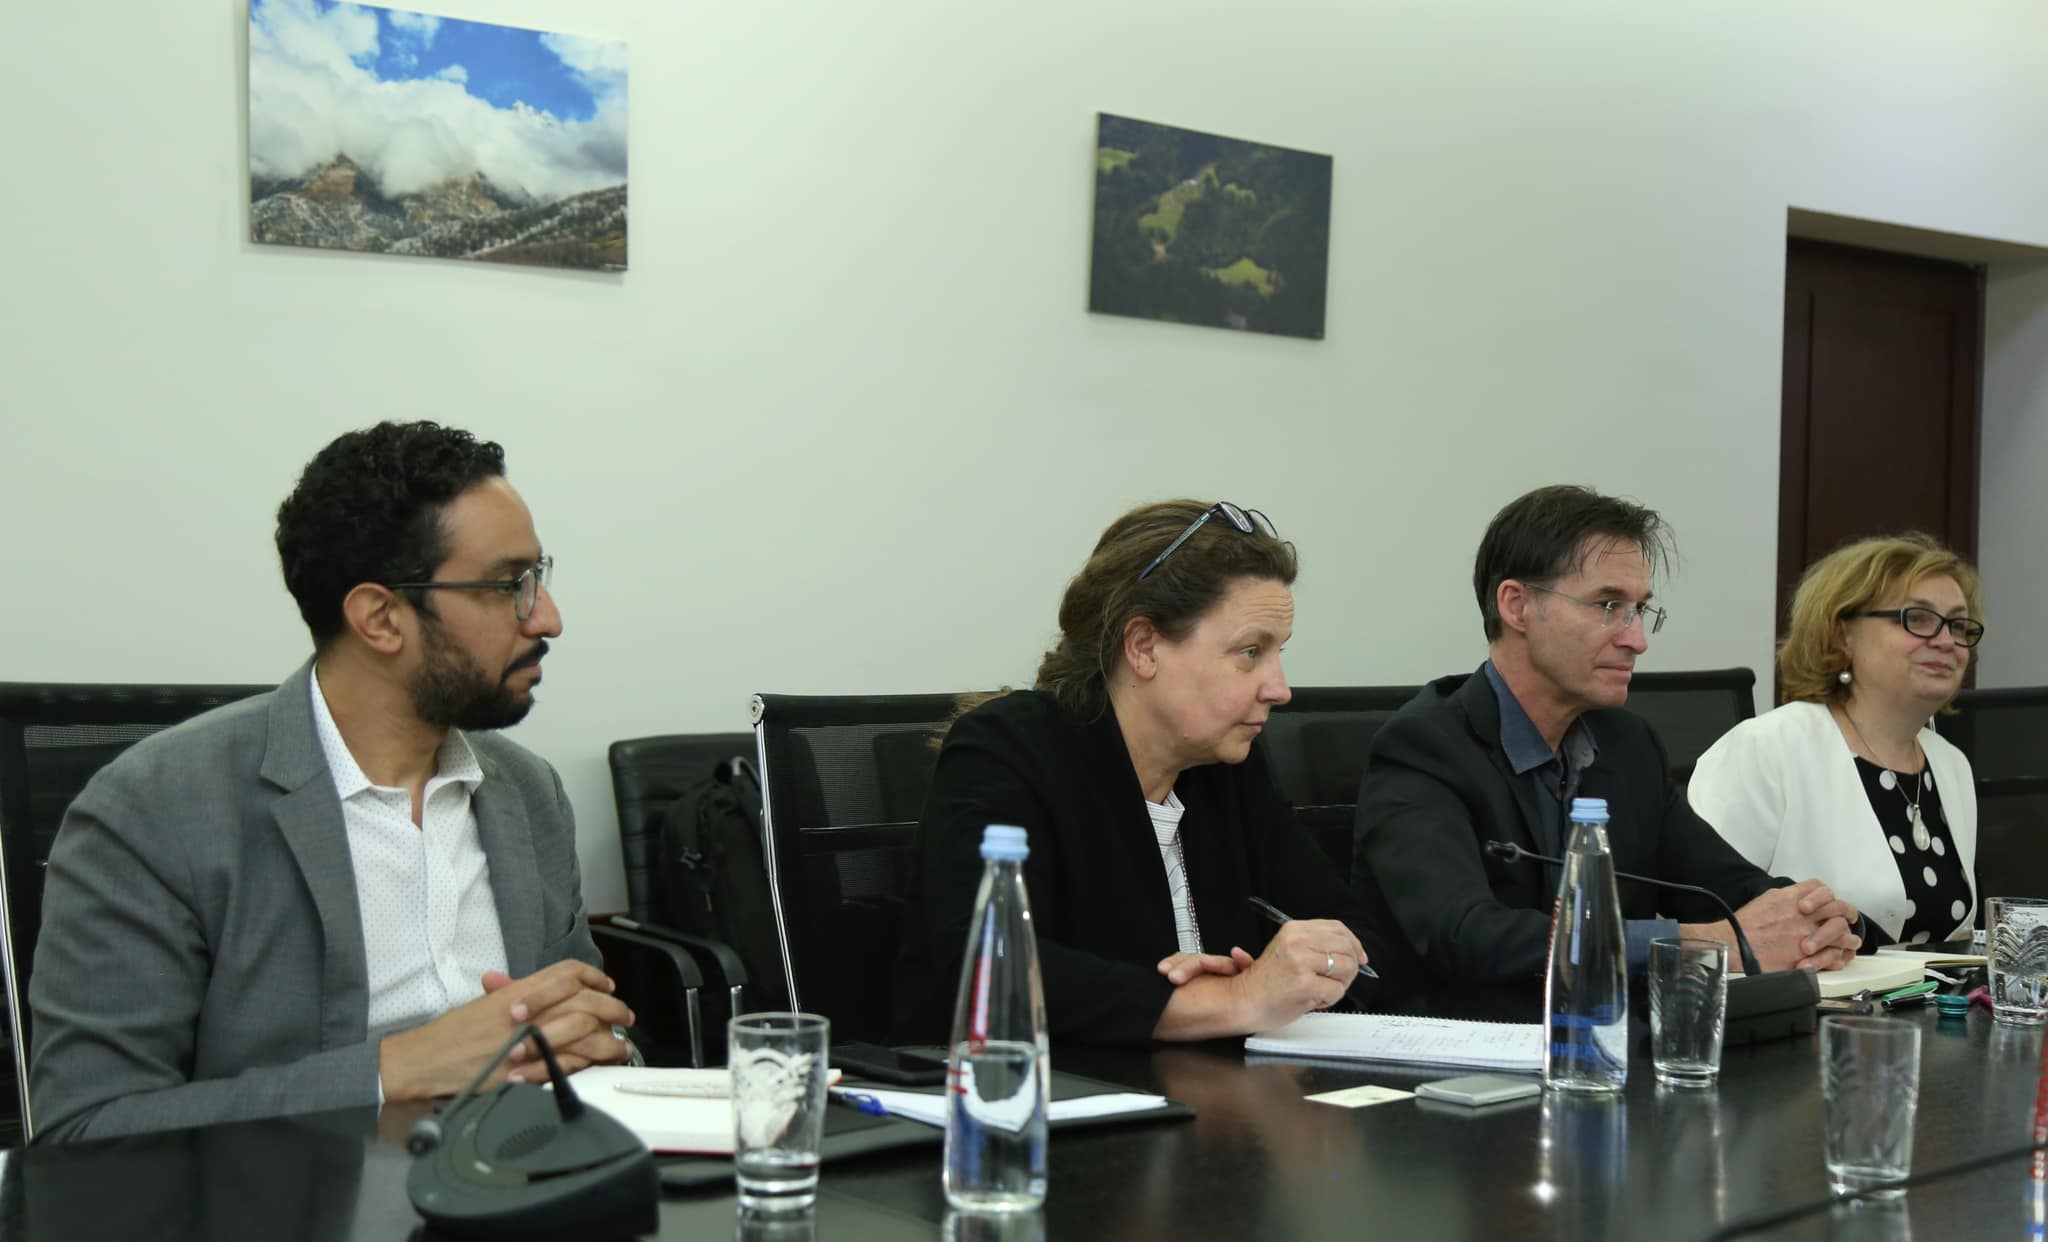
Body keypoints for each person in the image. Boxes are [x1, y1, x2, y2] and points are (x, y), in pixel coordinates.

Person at [30, 421, 633, 1143]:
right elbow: (87, 1128)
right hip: (290, 1196)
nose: (548, 619)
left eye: (539, 578)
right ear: (380, 618)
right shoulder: (152, 810)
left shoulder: (528, 793)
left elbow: (586, 1035)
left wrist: (603, 1048)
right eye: (510, 586)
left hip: (520, 1176)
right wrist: (395, 1069)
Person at [895, 500, 1393, 1046]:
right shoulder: (1005, 749)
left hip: (1208, 1085)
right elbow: (992, 967)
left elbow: (1354, 935)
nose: (1280, 688)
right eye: (1251, 652)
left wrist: (1316, 967)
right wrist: (1234, 999)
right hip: (1031, 1087)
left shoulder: (1225, 765)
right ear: (1144, 647)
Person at [1353, 485, 1862, 998]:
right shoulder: (1423, 748)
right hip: (1473, 1039)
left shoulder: (1627, 744)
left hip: (1615, 1034)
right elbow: (1467, 936)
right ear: (1517, 605)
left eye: (1639, 610)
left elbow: (1726, 887)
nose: (1636, 639)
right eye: (1607, 605)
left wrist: (1814, 920)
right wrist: (1706, 944)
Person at [1689, 534, 1981, 947]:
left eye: (1959, 625)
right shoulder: (1765, 749)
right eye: (1917, 619)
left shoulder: (1950, 764)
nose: (1947, 641)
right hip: (1798, 989)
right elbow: (1699, 920)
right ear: (1842, 634)